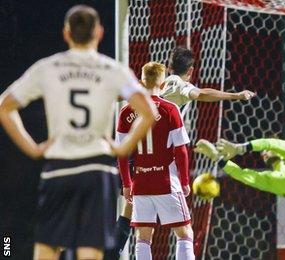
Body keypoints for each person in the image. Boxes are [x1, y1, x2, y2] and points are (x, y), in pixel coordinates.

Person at [0, 5, 157, 260]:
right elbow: (149, 111)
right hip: (97, 170)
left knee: (48, 249)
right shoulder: (112, 70)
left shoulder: (48, 67)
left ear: (66, 32)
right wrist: (122, 147)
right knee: (89, 251)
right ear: (99, 32)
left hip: (59, 167)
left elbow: (5, 106)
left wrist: (32, 148)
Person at [107, 47, 257, 259]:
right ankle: (111, 252)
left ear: (168, 67)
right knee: (180, 231)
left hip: (134, 153)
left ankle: (111, 252)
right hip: (156, 157)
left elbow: (121, 95)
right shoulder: (178, 84)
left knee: (135, 220)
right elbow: (201, 94)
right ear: (191, 71)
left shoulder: (148, 85)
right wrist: (235, 95)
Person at [116, 62, 194, 260]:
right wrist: (184, 181)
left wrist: (127, 184)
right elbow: (181, 150)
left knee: (143, 237)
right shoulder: (170, 109)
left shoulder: (126, 112)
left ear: (142, 81)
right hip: (166, 182)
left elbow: (122, 153)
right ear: (163, 85)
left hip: (140, 183)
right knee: (184, 234)